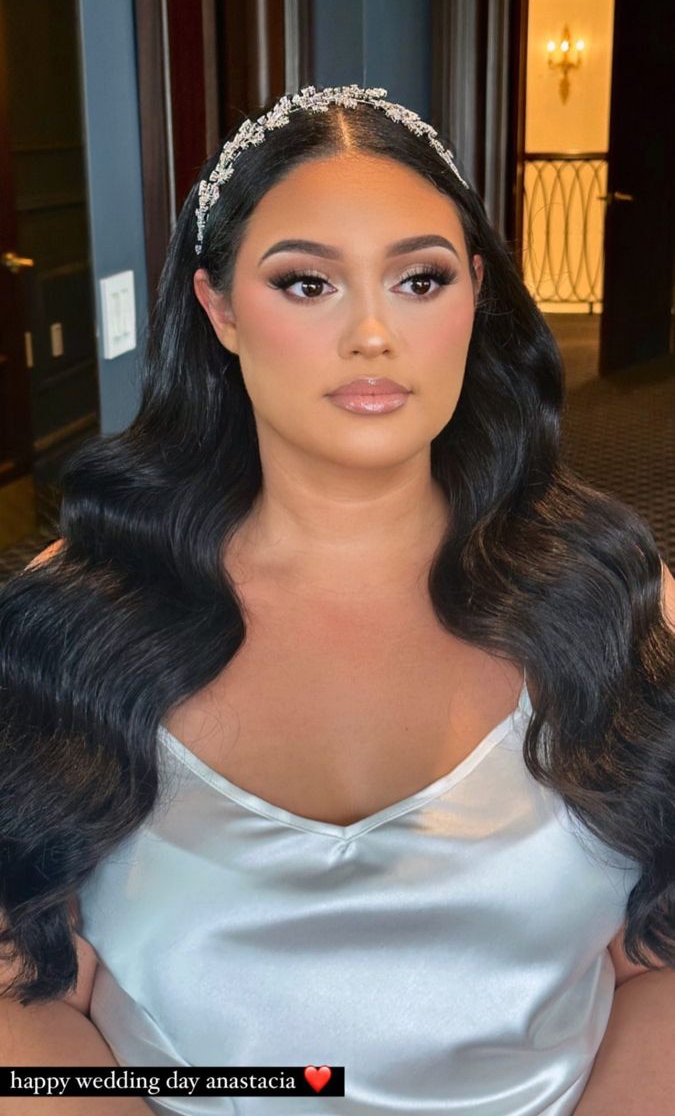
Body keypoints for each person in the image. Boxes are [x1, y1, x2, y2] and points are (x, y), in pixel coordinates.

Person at [0, 84, 674, 1116]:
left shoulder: (620, 603)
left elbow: (656, 959)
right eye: (308, 284)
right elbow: (26, 994)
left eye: (419, 278)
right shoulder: (79, 614)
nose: (372, 333)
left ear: (475, 295)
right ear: (218, 306)